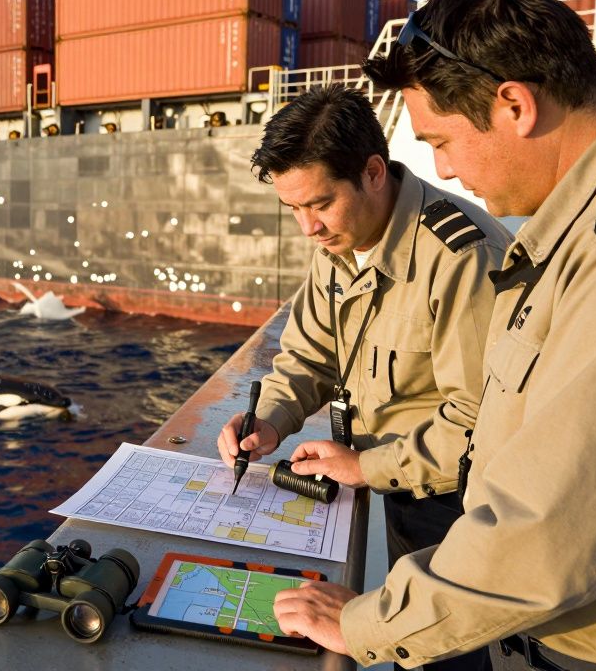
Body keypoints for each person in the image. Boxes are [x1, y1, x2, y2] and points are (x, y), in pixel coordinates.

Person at [272, 0, 596, 671]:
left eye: (440, 141)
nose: (448, 171)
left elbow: (555, 531)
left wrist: (368, 621)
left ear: (514, 106)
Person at [217, 83, 509, 671]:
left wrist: (364, 467)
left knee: (446, 655)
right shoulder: (342, 241)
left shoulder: (459, 258)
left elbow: (483, 426)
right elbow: (308, 356)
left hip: (460, 511)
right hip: (401, 492)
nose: (307, 229)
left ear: (374, 171)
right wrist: (269, 420)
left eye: (319, 204)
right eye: (293, 209)